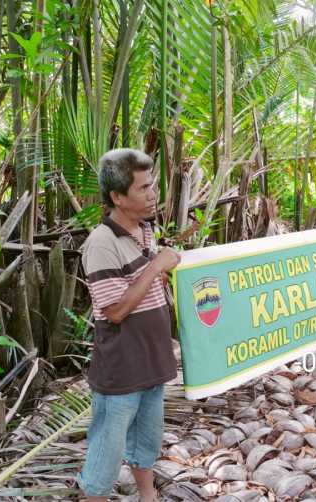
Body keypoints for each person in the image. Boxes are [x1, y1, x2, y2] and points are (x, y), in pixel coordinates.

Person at [78, 148, 180, 502]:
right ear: (117, 197)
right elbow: (115, 311)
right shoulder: (101, 243)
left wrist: (158, 276)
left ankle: (147, 496)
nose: (153, 194)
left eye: (152, 185)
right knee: (107, 447)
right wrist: (156, 268)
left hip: (151, 358)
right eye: (143, 188)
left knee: (148, 438)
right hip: (122, 368)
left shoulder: (145, 229)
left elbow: (142, 289)